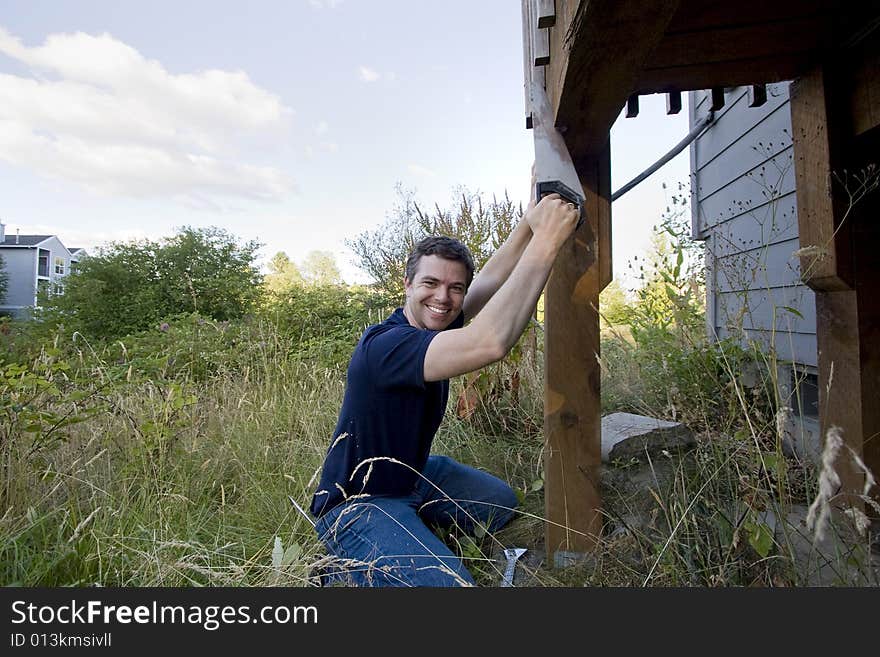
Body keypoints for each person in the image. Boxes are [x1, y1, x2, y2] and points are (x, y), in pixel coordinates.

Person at [309, 187, 579, 587]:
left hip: (412, 476)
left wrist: (527, 222)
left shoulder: (437, 321)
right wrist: (546, 241)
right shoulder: (386, 346)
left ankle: (406, 528)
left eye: (455, 288)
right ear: (406, 284)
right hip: (357, 504)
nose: (443, 297)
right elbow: (490, 342)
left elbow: (489, 279)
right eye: (431, 283)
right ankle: (346, 567)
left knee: (500, 504)